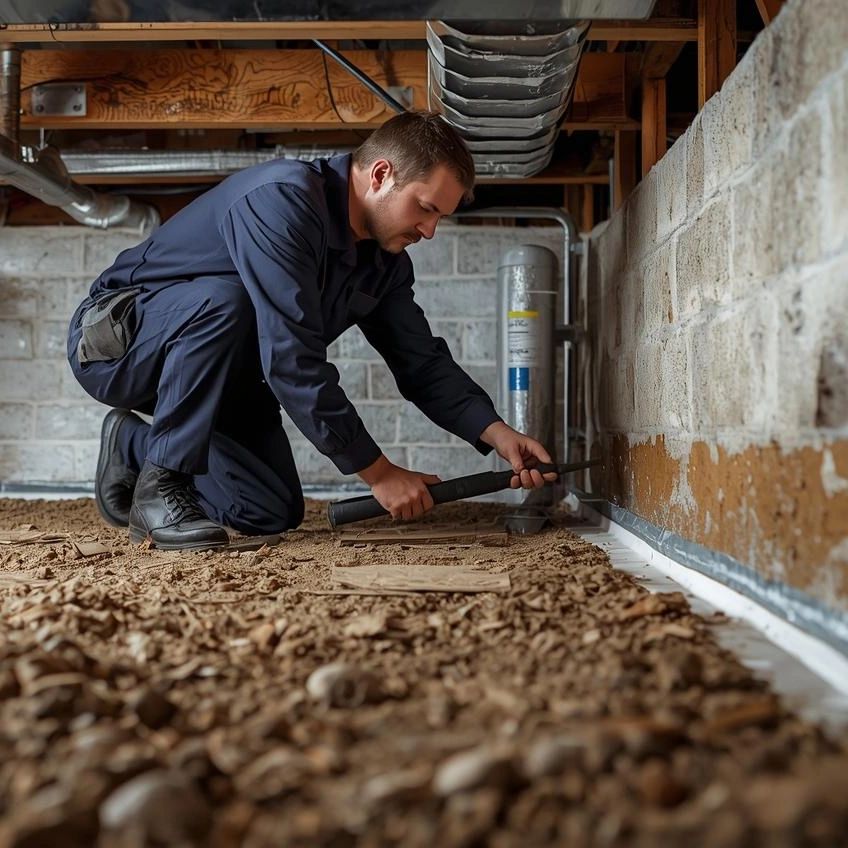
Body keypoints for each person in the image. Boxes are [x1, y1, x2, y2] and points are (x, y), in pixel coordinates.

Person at [66, 110, 555, 551]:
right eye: (425, 208)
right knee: (227, 301)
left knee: (267, 512)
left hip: (217, 374)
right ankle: (162, 484)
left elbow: (420, 359)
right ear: (382, 175)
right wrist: (378, 472)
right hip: (119, 342)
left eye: (439, 218)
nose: (430, 231)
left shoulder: (384, 264)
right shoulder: (283, 201)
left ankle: (133, 444)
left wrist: (495, 433)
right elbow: (290, 356)